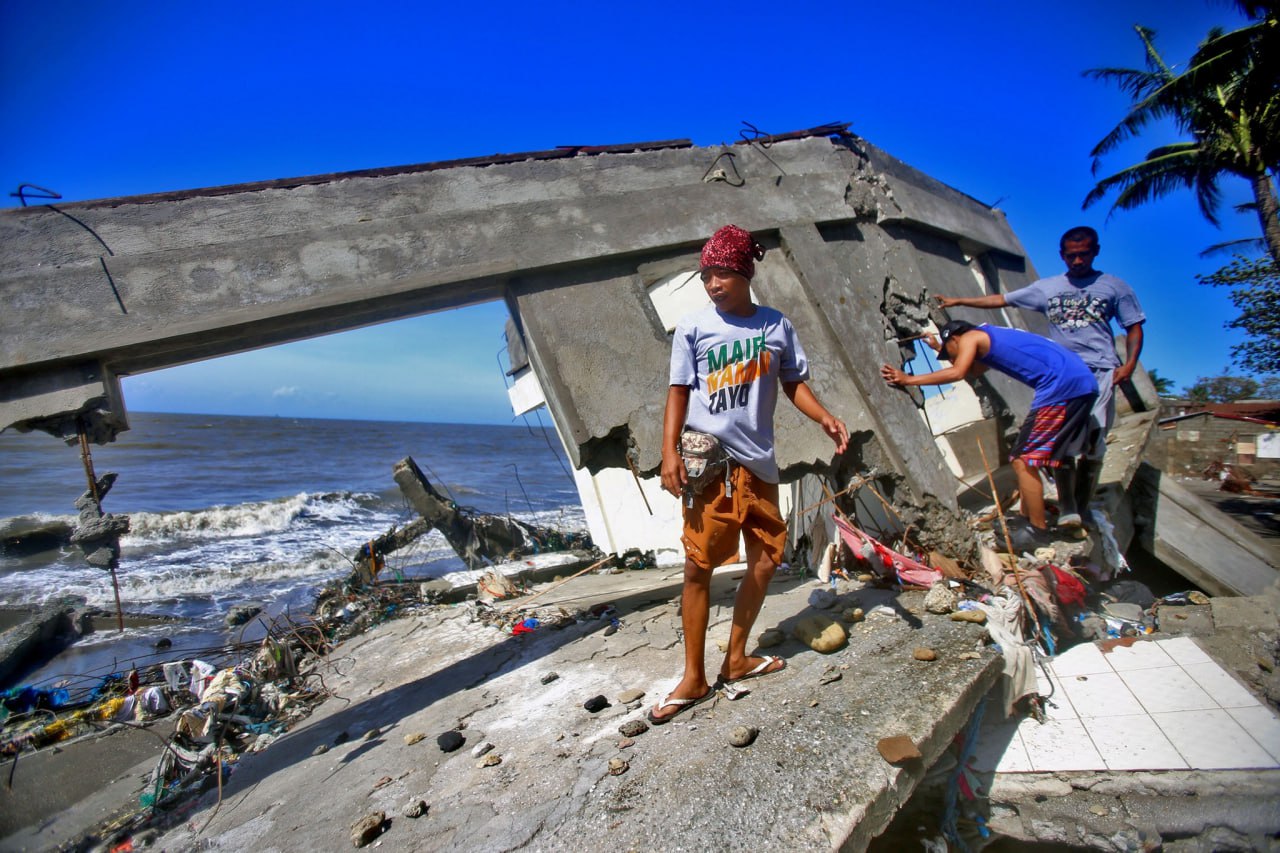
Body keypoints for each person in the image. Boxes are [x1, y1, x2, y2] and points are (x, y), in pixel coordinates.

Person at [651, 224, 849, 724]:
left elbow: (793, 384)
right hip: (710, 464)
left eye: (722, 274)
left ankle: (736, 659)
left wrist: (823, 415)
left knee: (765, 562)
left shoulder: (776, 326)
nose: (713, 284)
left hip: (759, 462)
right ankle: (694, 677)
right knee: (699, 566)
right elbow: (678, 392)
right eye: (706, 275)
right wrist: (668, 452)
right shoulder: (694, 328)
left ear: (745, 272)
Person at [934, 226, 1145, 526]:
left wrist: (1130, 364)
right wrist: (958, 302)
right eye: (1071, 256)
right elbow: (1003, 300)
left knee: (1093, 442)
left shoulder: (1113, 287)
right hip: (1065, 373)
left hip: (1100, 371)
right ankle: (1069, 509)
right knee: (1061, 443)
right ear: (1062, 256)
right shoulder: (1048, 288)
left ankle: (1081, 508)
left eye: (1084, 254)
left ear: (1095, 251)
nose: (1077, 261)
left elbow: (1134, 326)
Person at [879, 320, 1097, 552]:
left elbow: (958, 371)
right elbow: (972, 370)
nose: (947, 355)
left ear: (955, 338)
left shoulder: (972, 337)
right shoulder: (990, 338)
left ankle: (1037, 531)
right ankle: (1033, 519)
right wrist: (936, 348)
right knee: (1031, 456)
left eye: (947, 350)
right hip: (1078, 382)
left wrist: (908, 379)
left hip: (1061, 387)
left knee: (1024, 460)